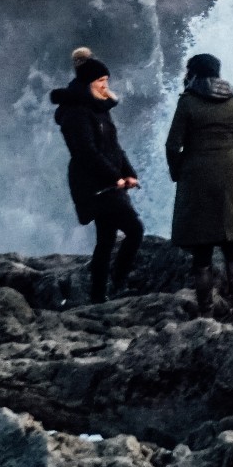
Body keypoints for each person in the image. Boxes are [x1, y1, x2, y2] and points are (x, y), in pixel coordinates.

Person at [164, 53, 233, 317]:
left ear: (194, 73)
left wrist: (178, 171)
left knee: (201, 250)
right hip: (227, 174)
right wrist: (232, 164)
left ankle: (206, 313)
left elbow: (172, 145)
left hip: (196, 175)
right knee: (232, 245)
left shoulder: (188, 102)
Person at [51, 48, 143, 304]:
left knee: (106, 239)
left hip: (108, 183)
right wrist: (115, 177)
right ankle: (118, 282)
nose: (106, 87)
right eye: (101, 82)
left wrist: (129, 173)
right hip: (95, 186)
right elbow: (86, 152)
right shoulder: (77, 113)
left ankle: (98, 295)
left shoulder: (98, 108)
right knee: (135, 230)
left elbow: (114, 146)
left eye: (106, 81)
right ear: (88, 84)